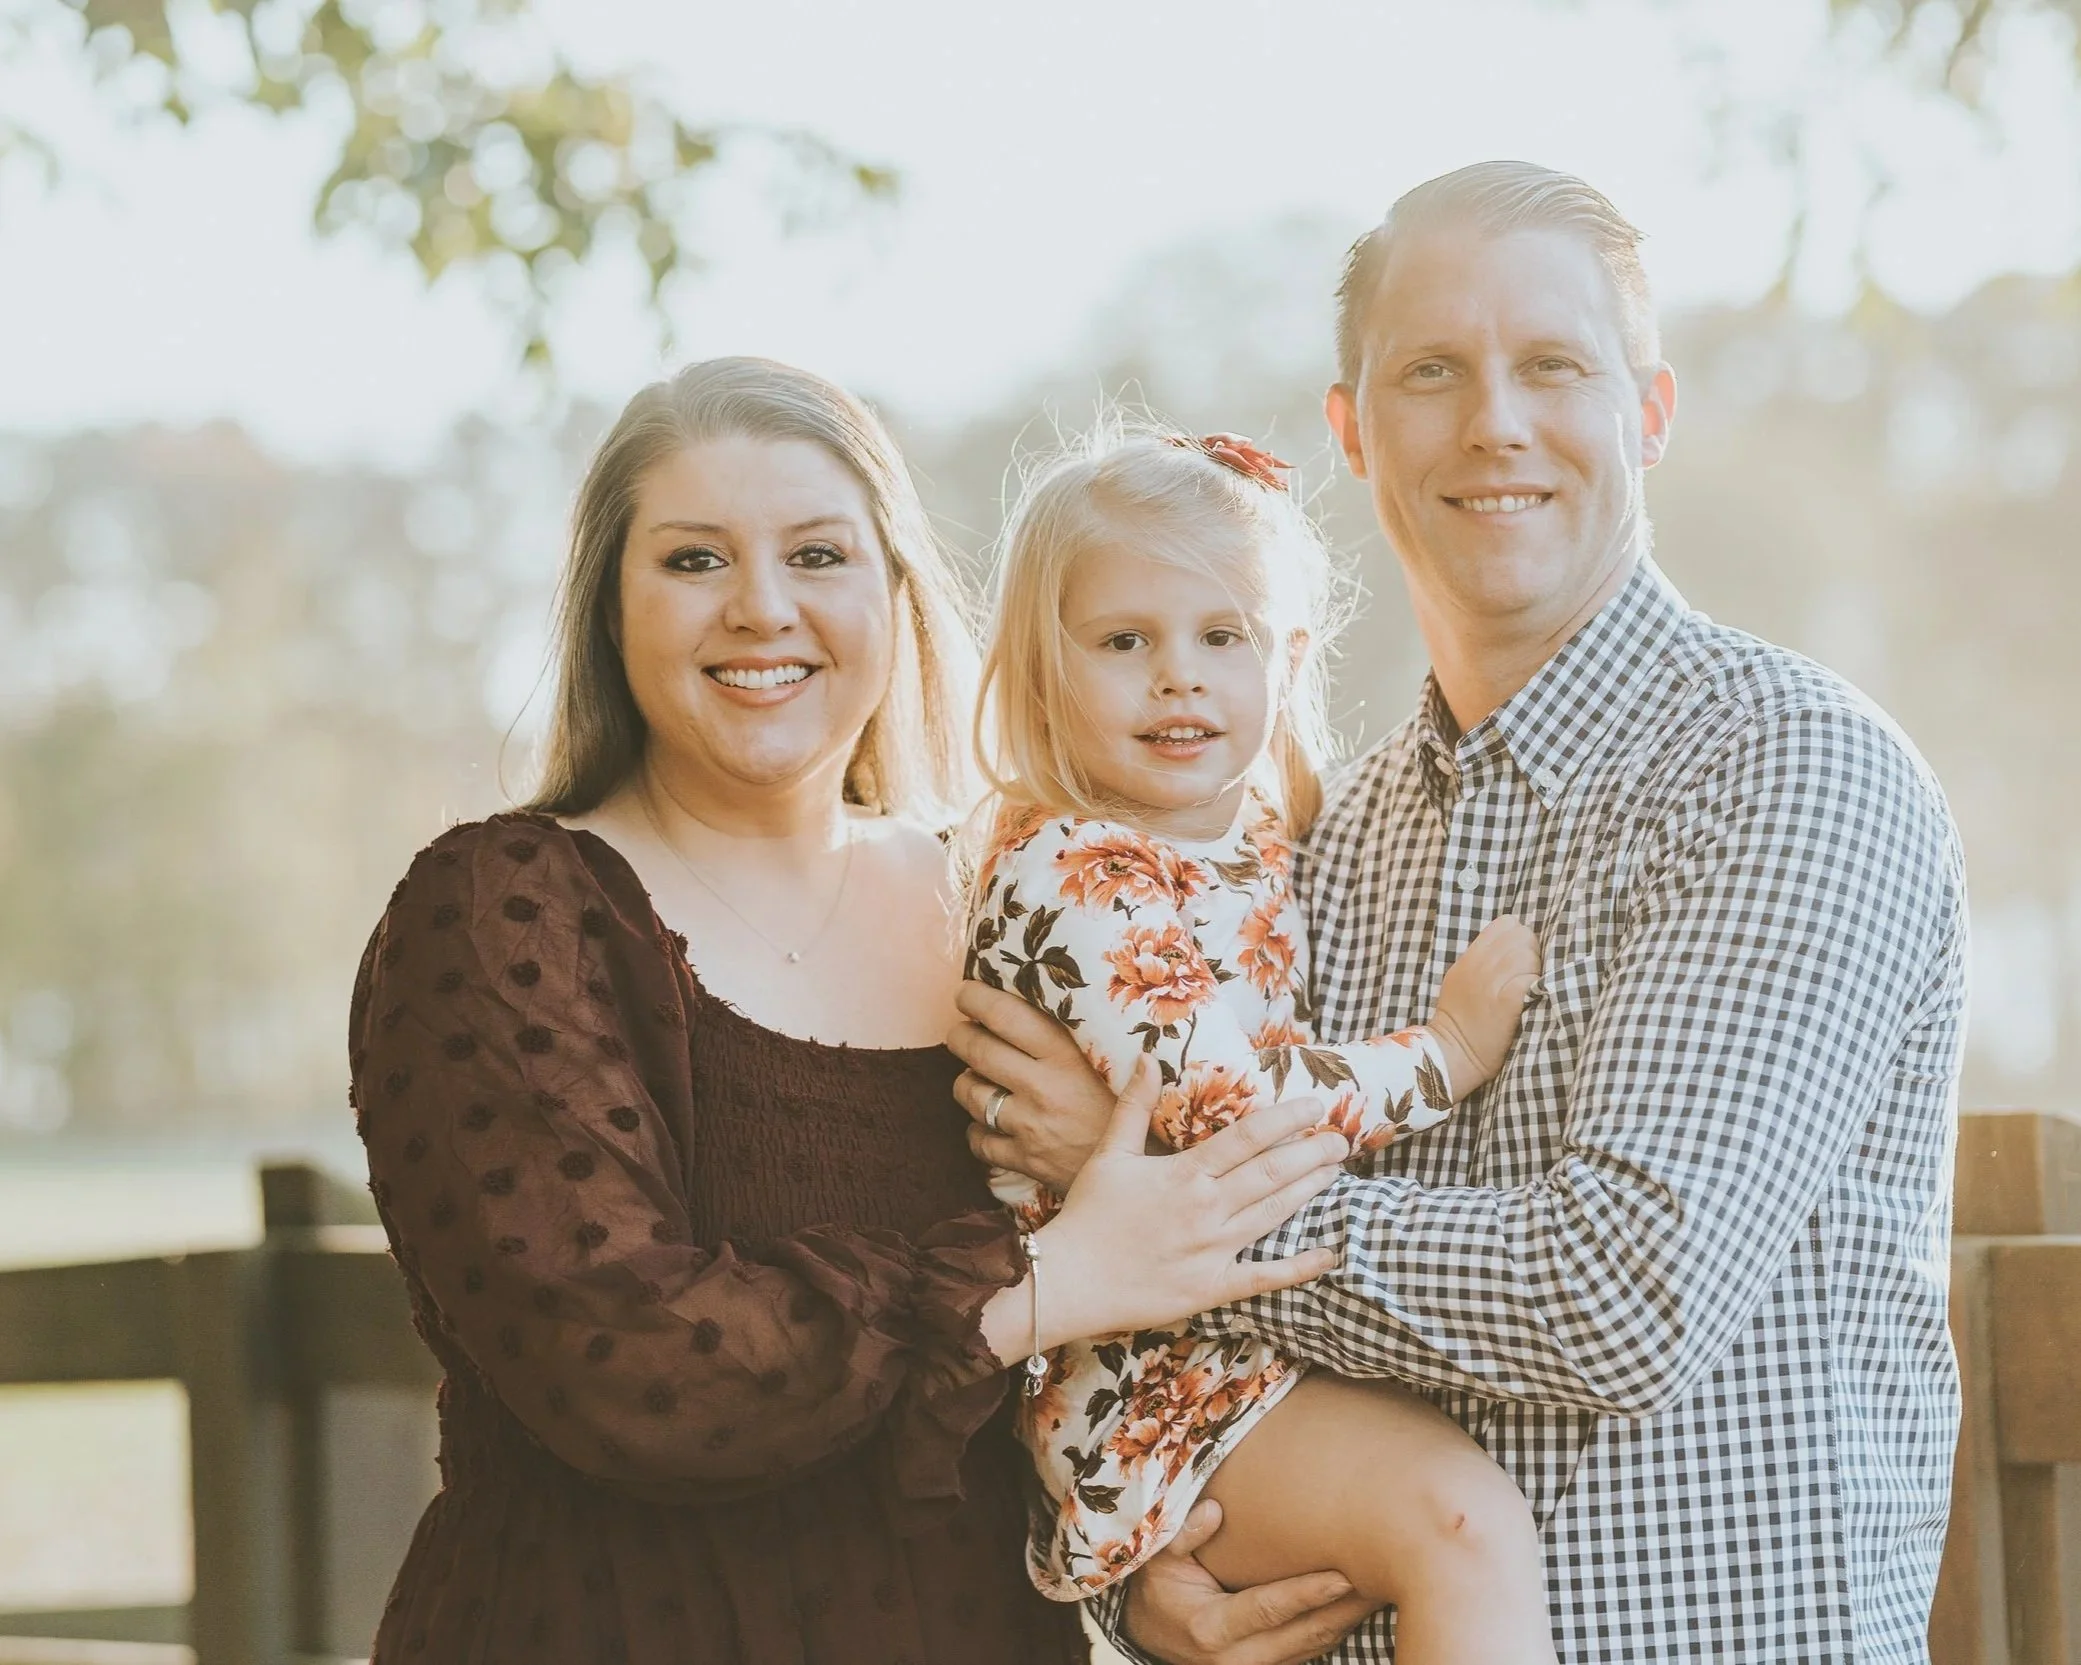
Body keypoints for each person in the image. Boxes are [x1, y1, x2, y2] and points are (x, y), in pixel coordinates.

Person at [950, 163, 1969, 1665]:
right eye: (1431, 372)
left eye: (1553, 364)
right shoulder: (1316, 840)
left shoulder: (1784, 770)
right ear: (1352, 432)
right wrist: (1145, 1571)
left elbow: (1623, 1296)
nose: (1494, 421)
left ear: (1651, 412)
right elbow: (1092, 1285)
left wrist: (1174, 1220)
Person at [348, 356, 1358, 1665]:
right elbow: (634, 1363)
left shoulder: (1011, 908)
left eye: (817, 555)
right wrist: (1038, 1284)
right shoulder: (505, 911)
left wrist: (1136, 1571)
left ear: (894, 593)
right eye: (694, 561)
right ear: (609, 608)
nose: (762, 610)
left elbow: (1090, 1359)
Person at [961, 420, 1555, 1665]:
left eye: (1218, 638)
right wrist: (1442, 1052)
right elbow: (1227, 1113)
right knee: (1464, 1524)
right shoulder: (1074, 870)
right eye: (1125, 642)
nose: (1178, 677)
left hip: (1235, 1347)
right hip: (1147, 1375)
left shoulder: (1255, 834)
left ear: (1284, 660)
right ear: (1039, 672)